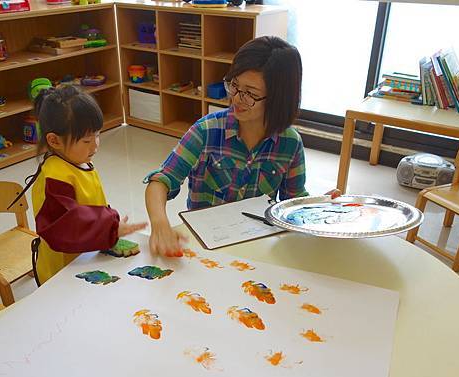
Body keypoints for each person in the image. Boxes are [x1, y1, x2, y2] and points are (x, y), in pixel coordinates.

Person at [144, 36, 339, 256]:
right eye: (234, 85)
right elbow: (160, 181)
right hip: (206, 246)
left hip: (259, 247)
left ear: (278, 99)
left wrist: (317, 206)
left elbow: (291, 204)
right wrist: (160, 224)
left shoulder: (290, 143)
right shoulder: (207, 131)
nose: (237, 99)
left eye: (251, 94)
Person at [13, 85, 146, 284]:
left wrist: (107, 232)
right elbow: (67, 224)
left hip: (85, 255)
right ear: (54, 140)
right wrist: (109, 229)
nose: (95, 145)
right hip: (62, 269)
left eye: (97, 135)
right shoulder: (55, 177)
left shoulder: (77, 159)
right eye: (86, 141)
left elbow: (90, 204)